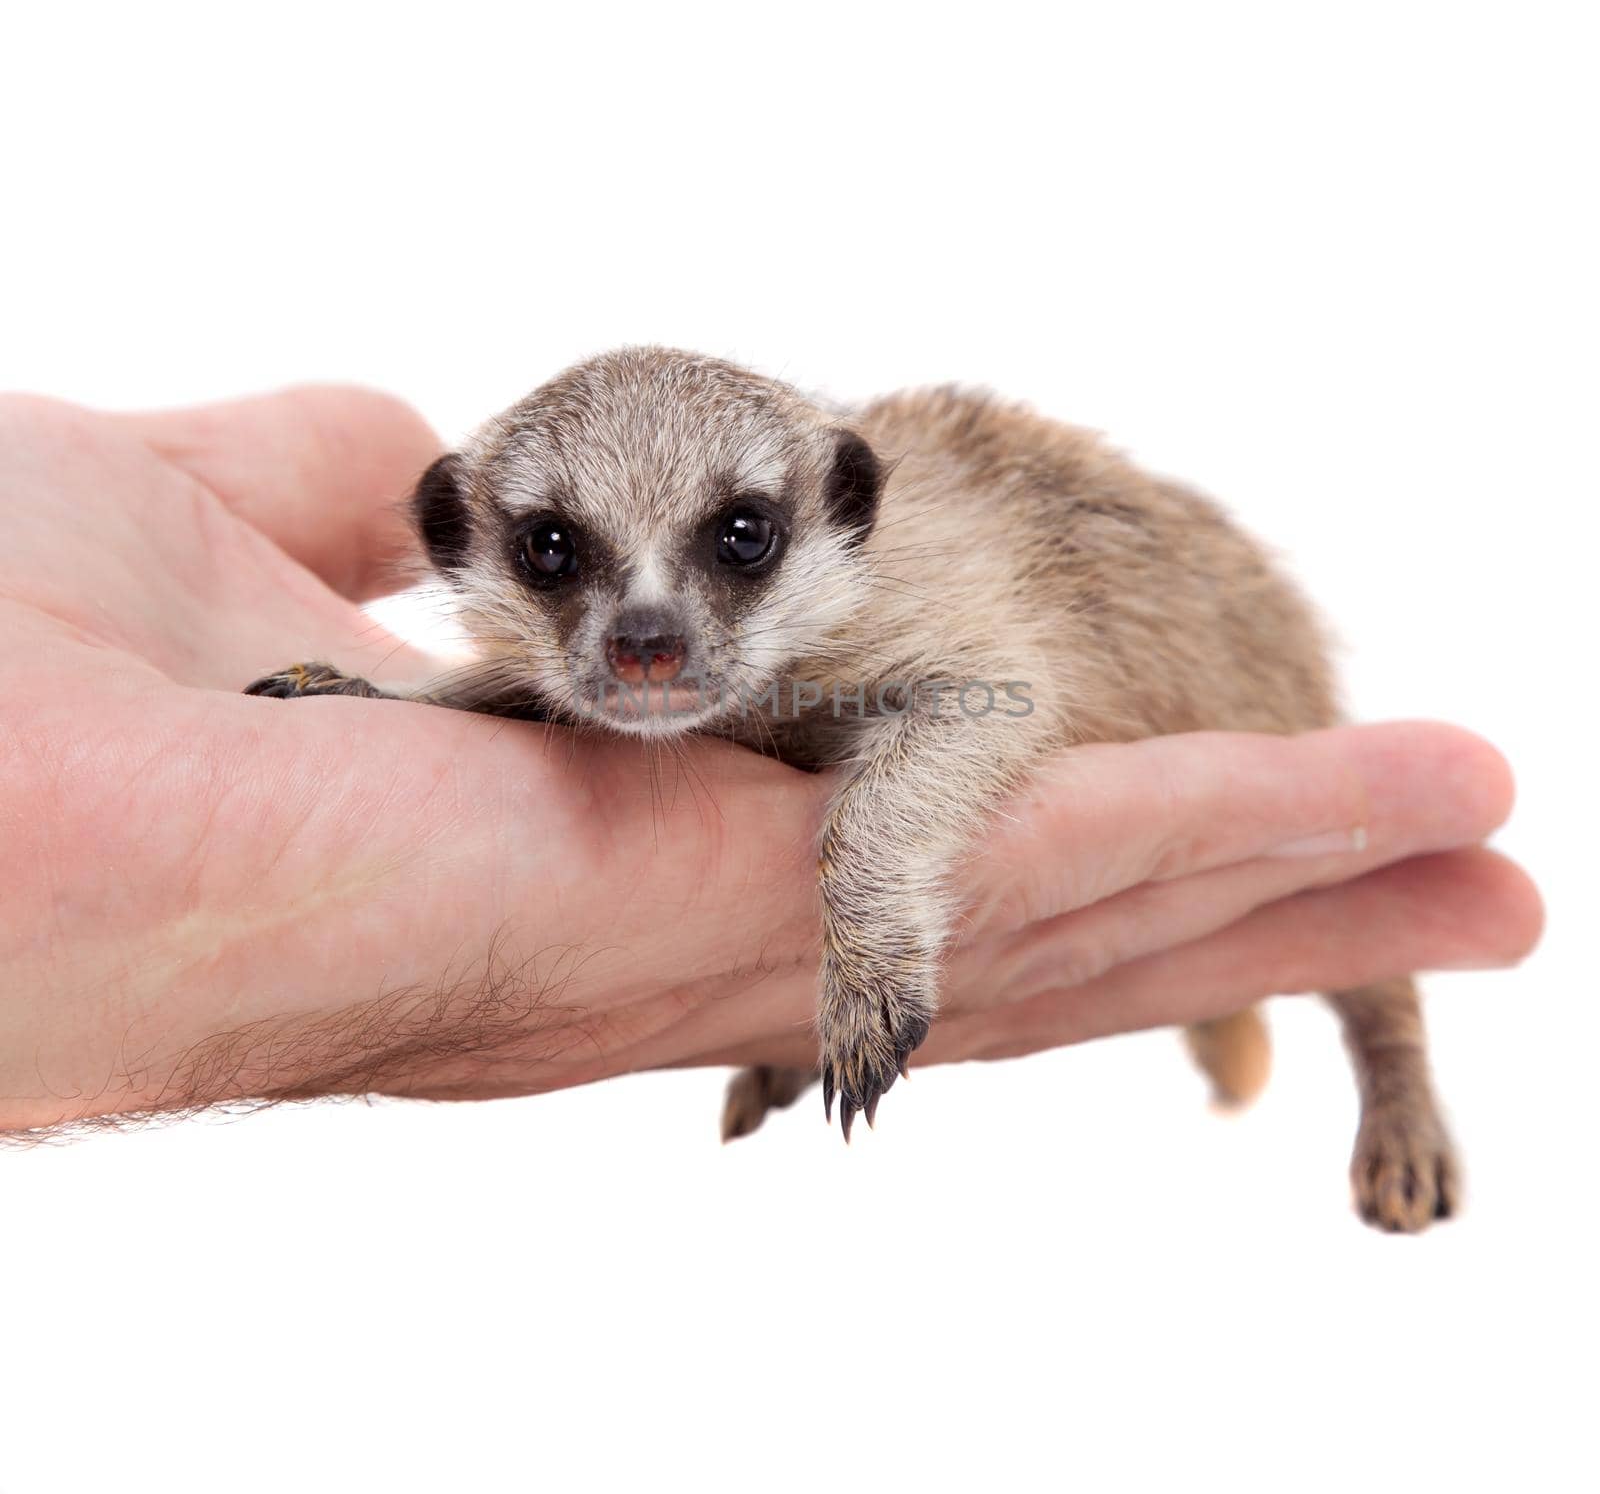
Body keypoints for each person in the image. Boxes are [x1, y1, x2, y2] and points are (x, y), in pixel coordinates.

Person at [0, 387, 1543, 1136]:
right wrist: (398, 713)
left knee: (1323, 867)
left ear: (839, 526)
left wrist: (868, 917)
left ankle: (1395, 1084)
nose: (649, 629)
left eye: (736, 546)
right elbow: (559, 692)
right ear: (462, 547)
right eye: (558, 555)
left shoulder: (921, 599)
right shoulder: (579, 649)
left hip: (1200, 638)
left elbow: (980, 705)